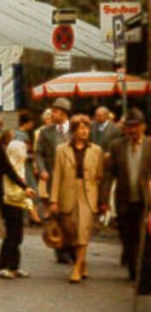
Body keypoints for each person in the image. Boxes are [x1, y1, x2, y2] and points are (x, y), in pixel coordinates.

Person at [50, 114, 104, 283]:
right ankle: (82, 261)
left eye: (86, 128)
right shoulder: (62, 150)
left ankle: (76, 269)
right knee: (71, 232)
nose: (84, 131)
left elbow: (100, 176)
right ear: (73, 131)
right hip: (68, 193)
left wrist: (101, 199)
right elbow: (57, 175)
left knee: (83, 230)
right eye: (80, 128)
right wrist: (53, 200)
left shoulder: (96, 150)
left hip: (88, 194)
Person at [100, 109, 151, 281]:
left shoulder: (150, 146)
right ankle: (132, 266)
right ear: (125, 128)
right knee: (127, 237)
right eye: (129, 127)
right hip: (124, 200)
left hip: (146, 201)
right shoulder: (117, 147)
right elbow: (108, 176)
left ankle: (140, 270)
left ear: (143, 127)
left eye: (136, 126)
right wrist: (104, 200)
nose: (133, 130)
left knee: (144, 237)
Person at [36, 98, 74, 263]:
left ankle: (73, 247)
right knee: (57, 213)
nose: (52, 113)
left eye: (55, 111)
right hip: (54, 179)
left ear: (63, 114)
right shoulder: (46, 132)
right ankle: (61, 248)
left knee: (73, 215)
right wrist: (43, 169)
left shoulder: (76, 129)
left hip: (74, 180)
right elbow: (39, 153)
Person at [0, 138, 32, 279]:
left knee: (18, 235)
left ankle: (14, 266)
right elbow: (11, 183)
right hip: (9, 202)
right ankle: (3, 266)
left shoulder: (21, 166)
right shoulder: (9, 167)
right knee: (11, 235)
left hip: (19, 202)